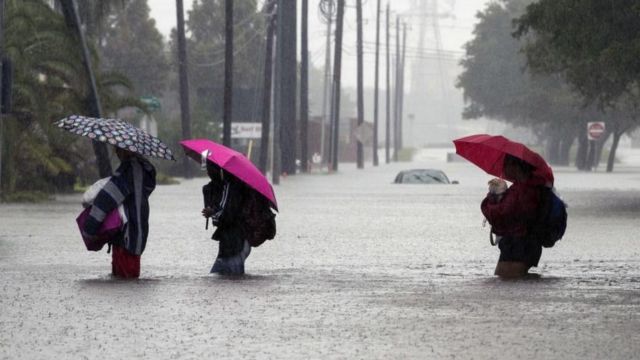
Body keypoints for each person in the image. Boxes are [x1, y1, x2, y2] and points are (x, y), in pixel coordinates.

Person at [83, 147, 157, 278]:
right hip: (137, 235)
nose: (116, 152)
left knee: (124, 281)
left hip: (126, 237)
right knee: (127, 284)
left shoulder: (127, 171)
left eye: (118, 149)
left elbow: (106, 199)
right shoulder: (143, 170)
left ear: (128, 150)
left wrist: (90, 228)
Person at [481, 154, 543, 278]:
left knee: (507, 279)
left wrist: (490, 199)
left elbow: (501, 213)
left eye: (506, 165)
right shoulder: (528, 187)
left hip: (519, 244)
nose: (503, 169)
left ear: (516, 167)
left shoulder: (520, 191)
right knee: (510, 281)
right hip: (522, 243)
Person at [202, 161, 251, 275]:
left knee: (228, 277)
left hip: (236, 242)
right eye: (208, 170)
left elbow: (227, 213)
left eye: (212, 169)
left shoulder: (231, 187)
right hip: (230, 241)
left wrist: (213, 212)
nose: (209, 173)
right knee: (226, 278)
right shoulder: (212, 188)